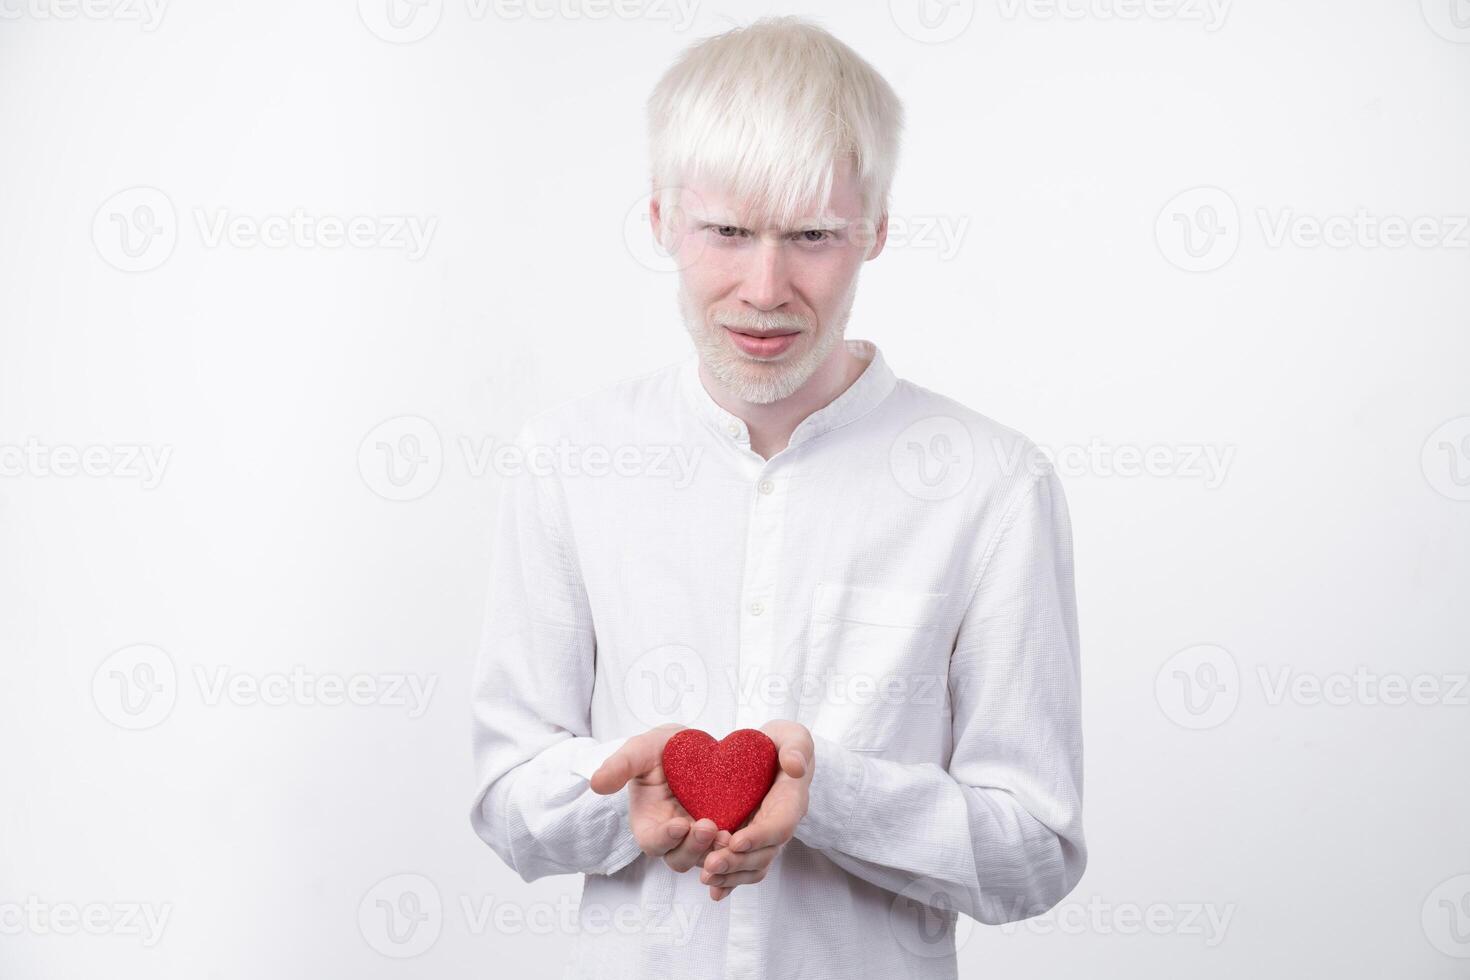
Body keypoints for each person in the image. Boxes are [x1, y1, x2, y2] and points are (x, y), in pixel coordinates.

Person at [469, 15, 1086, 979]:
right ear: (662, 221)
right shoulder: (568, 461)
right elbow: (506, 798)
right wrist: (626, 801)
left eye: (812, 236)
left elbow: (1034, 854)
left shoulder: (993, 484)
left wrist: (829, 792)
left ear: (875, 230)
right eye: (727, 232)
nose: (765, 288)